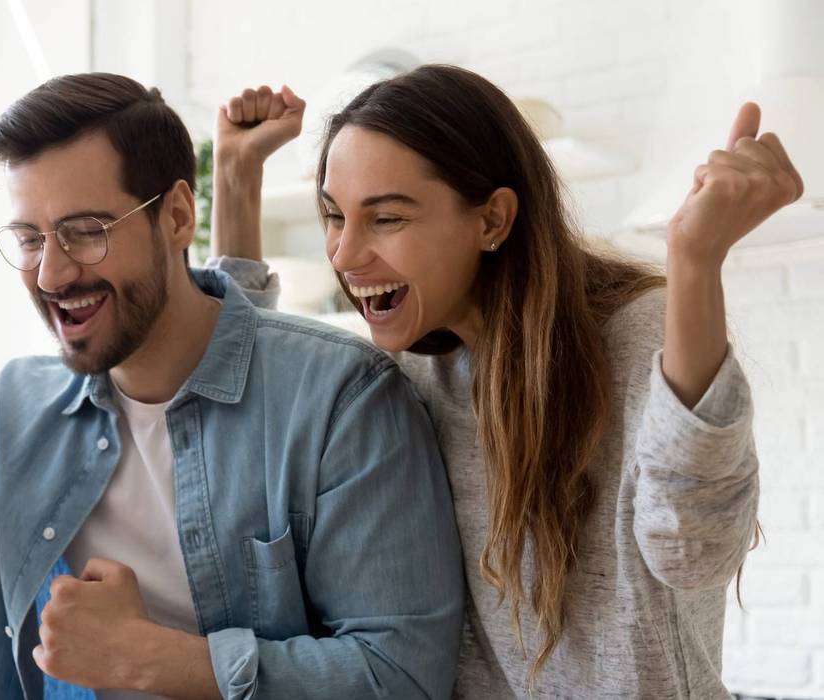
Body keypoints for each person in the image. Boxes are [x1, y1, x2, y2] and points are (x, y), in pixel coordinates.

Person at [0, 72, 465, 700]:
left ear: (177, 216)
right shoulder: (21, 408)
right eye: (30, 239)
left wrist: (148, 658)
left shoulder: (340, 398)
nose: (51, 274)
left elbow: (400, 677)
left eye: (85, 230)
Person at [212, 66, 802, 697]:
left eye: (386, 219)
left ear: (493, 220)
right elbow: (251, 391)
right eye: (334, 216)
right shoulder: (416, 372)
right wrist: (236, 177)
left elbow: (694, 551)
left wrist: (695, 259)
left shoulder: (634, 336)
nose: (344, 253)